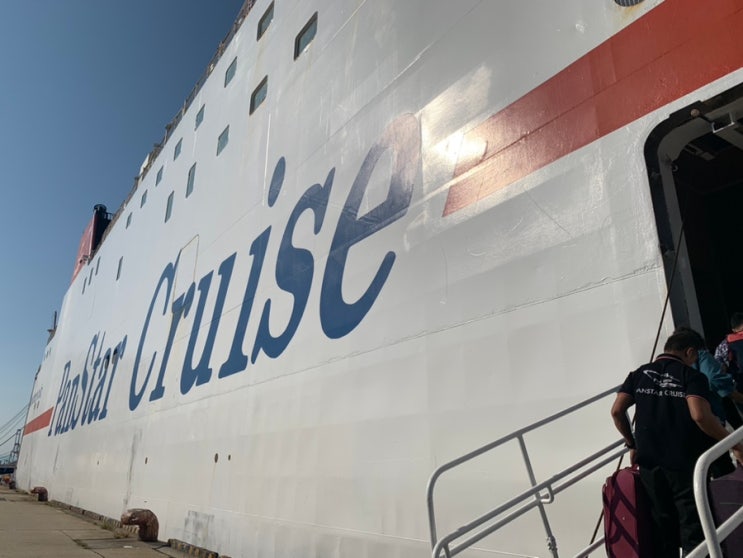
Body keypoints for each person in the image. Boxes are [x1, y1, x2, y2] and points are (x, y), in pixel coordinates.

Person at [611, 328, 743, 557]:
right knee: (693, 525)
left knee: (663, 525)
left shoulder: (639, 373)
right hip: (683, 462)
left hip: (649, 462)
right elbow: (700, 415)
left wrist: (632, 444)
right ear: (690, 352)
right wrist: (734, 444)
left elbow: (616, 411)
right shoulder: (690, 376)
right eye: (695, 356)